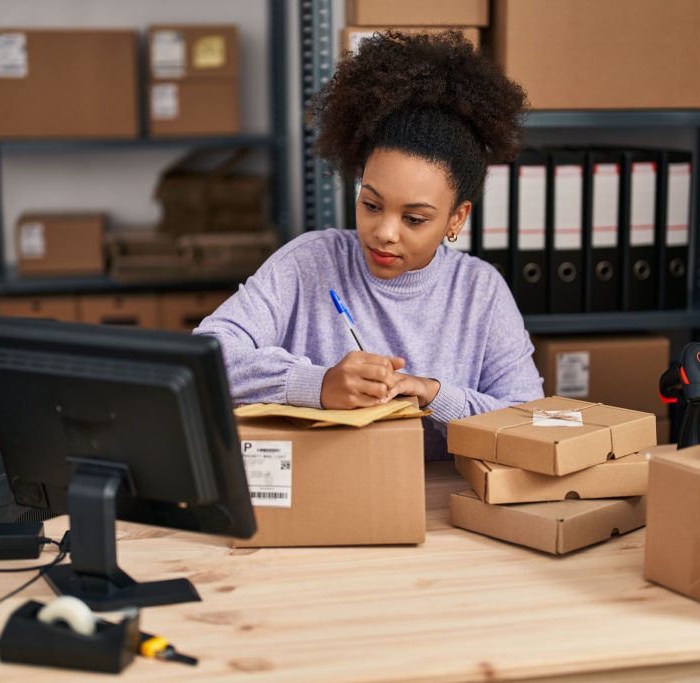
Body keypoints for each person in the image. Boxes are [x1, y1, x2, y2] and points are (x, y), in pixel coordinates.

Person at [194, 31, 544, 458]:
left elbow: (529, 422)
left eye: (414, 219)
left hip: (441, 505)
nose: (385, 232)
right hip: (325, 490)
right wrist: (317, 384)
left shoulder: (480, 292)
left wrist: (434, 395)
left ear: (457, 218)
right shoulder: (309, 262)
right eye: (371, 204)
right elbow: (207, 355)